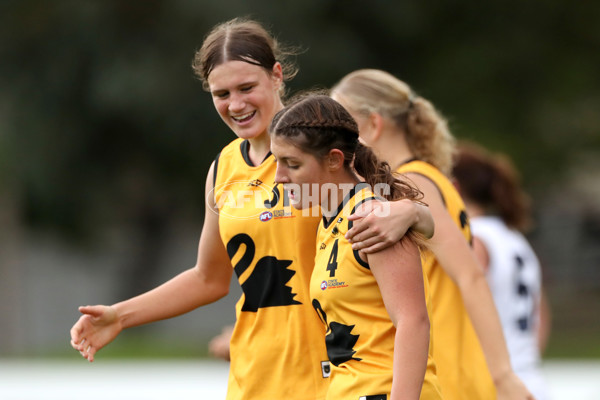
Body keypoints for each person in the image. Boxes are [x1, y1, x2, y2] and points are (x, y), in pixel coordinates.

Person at [69, 19, 434, 400]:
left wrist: (413, 212)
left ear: (276, 76)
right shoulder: (223, 169)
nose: (236, 105)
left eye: (246, 88)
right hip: (255, 375)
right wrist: (121, 315)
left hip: (333, 377)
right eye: (221, 93)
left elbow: (396, 211)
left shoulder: (320, 147)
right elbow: (208, 278)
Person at [331, 69, 535, 400]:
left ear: (374, 124)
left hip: (448, 371)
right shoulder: (426, 178)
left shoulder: (415, 183)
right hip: (452, 367)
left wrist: (503, 375)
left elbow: (470, 276)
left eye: (345, 129)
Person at [270, 93, 442, 400]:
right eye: (277, 162)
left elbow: (413, 322)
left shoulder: (375, 219)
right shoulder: (330, 221)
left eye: (292, 164)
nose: (279, 178)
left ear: (335, 160)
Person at [453, 142, 551, 400]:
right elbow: (540, 313)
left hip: (493, 384)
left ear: (453, 186)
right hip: (528, 378)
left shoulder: (472, 238)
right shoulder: (514, 238)